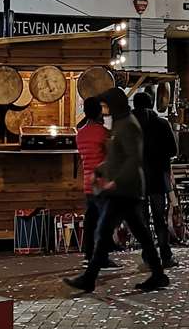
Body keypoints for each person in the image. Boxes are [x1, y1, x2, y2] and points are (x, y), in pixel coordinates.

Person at [67, 88, 168, 293]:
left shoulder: (128, 125)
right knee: (139, 231)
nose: (105, 110)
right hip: (124, 188)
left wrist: (114, 181)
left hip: (125, 188)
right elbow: (116, 157)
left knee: (105, 230)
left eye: (107, 106)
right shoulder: (121, 124)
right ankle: (158, 274)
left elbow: (133, 158)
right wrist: (99, 170)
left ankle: (90, 278)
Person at [133, 91, 179, 269]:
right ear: (151, 104)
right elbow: (173, 150)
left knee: (142, 220)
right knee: (159, 218)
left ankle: (148, 255)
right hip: (158, 179)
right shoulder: (161, 123)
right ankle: (166, 256)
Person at [74, 95, 109, 263]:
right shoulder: (102, 133)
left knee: (91, 220)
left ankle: (88, 255)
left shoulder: (80, 134)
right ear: (98, 112)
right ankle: (101, 257)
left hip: (87, 181)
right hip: (102, 182)